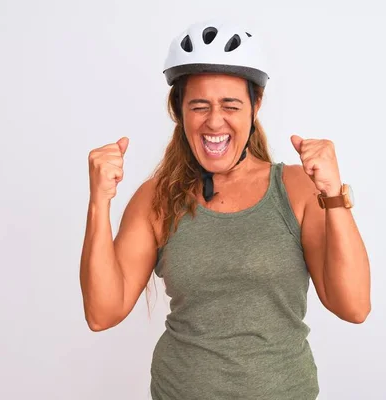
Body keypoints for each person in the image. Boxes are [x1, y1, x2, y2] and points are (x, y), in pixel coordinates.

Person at [80, 19, 371, 400]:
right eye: (198, 106)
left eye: (230, 105)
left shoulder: (297, 189)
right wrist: (99, 201)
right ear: (179, 111)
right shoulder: (157, 199)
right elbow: (103, 313)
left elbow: (353, 306)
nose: (214, 121)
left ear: (256, 106)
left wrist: (333, 194)